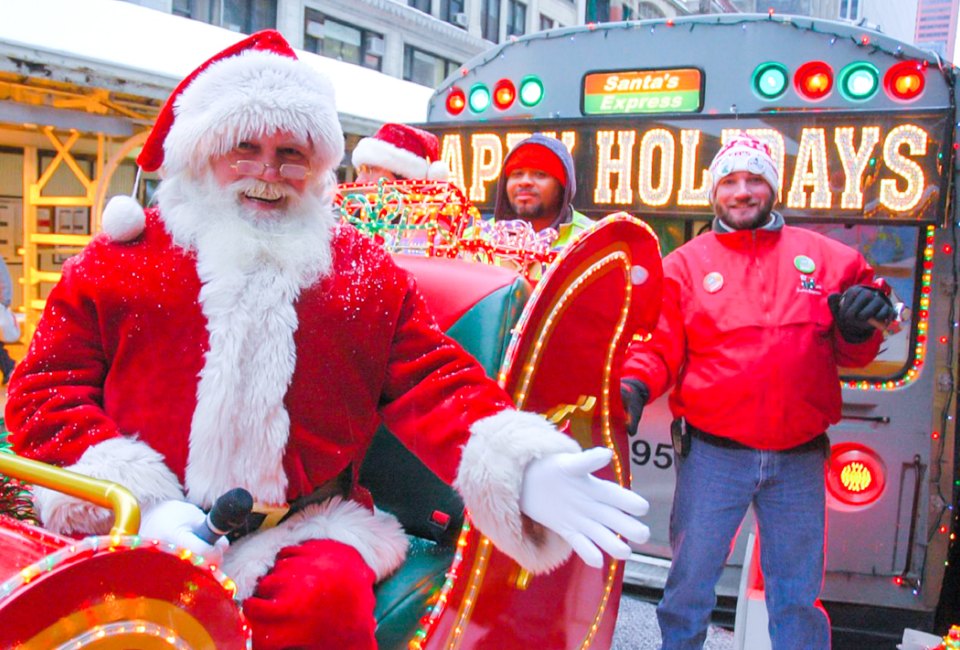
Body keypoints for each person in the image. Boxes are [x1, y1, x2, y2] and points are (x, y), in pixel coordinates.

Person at [4, 30, 650, 650]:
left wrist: (520, 468)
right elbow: (44, 391)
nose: (268, 170)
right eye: (245, 147)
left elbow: (434, 381)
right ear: (203, 154)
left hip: (299, 528)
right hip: (138, 521)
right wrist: (145, 506)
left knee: (325, 605)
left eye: (292, 152)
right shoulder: (122, 260)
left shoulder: (361, 270)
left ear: (317, 165)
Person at [619, 133, 896, 650]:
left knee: (796, 596)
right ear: (714, 193)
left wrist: (858, 330)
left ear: (774, 188)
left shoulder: (833, 261)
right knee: (688, 587)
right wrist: (635, 383)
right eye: (730, 181)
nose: (742, 191)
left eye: (754, 180)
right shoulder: (684, 265)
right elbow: (658, 346)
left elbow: (859, 349)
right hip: (714, 457)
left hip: (798, 459)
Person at [493, 133, 592, 248]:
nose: (525, 181)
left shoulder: (591, 238)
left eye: (540, 174)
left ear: (562, 187)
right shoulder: (476, 236)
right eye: (517, 174)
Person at [350, 122, 449, 183]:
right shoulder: (357, 215)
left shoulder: (429, 216)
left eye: (369, 169)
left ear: (401, 176)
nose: (358, 181)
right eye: (359, 170)